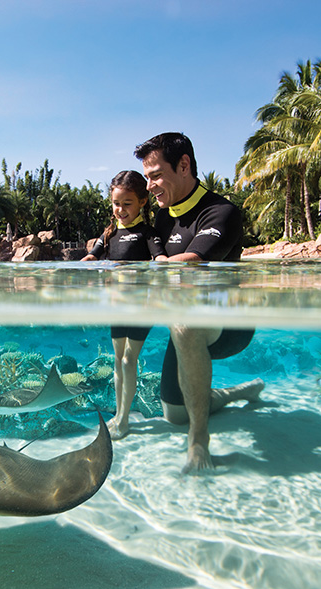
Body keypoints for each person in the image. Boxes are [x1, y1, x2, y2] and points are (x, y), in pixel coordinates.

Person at [133, 132, 263, 474]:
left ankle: (199, 441)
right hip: (185, 326)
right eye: (147, 178)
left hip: (229, 325)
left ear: (184, 165)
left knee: (184, 323)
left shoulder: (221, 211)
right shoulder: (163, 216)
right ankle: (237, 393)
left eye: (156, 175)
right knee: (174, 414)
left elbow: (193, 260)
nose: (150, 186)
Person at [83, 170, 165, 439]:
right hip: (117, 304)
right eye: (116, 204)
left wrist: (164, 265)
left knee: (130, 359)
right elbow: (91, 258)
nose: (120, 210)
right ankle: (119, 414)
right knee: (118, 360)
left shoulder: (147, 233)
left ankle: (124, 419)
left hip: (143, 304)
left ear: (142, 201)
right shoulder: (108, 235)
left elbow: (160, 258)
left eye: (127, 204)